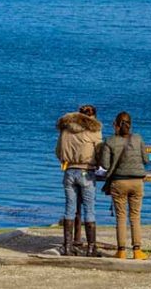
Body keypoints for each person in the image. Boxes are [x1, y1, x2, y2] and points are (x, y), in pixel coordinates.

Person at [99, 111, 150, 260]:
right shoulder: (138, 138)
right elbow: (146, 159)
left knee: (121, 217)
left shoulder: (110, 141)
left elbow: (105, 164)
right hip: (137, 182)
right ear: (130, 124)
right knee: (135, 217)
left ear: (116, 124)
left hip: (119, 182)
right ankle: (137, 251)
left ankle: (121, 251)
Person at [55, 104, 102, 256]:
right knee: (89, 209)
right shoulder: (94, 130)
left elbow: (58, 151)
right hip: (86, 171)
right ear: (92, 116)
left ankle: (68, 246)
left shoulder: (65, 129)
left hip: (69, 171)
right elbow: (100, 151)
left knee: (69, 208)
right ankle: (91, 248)